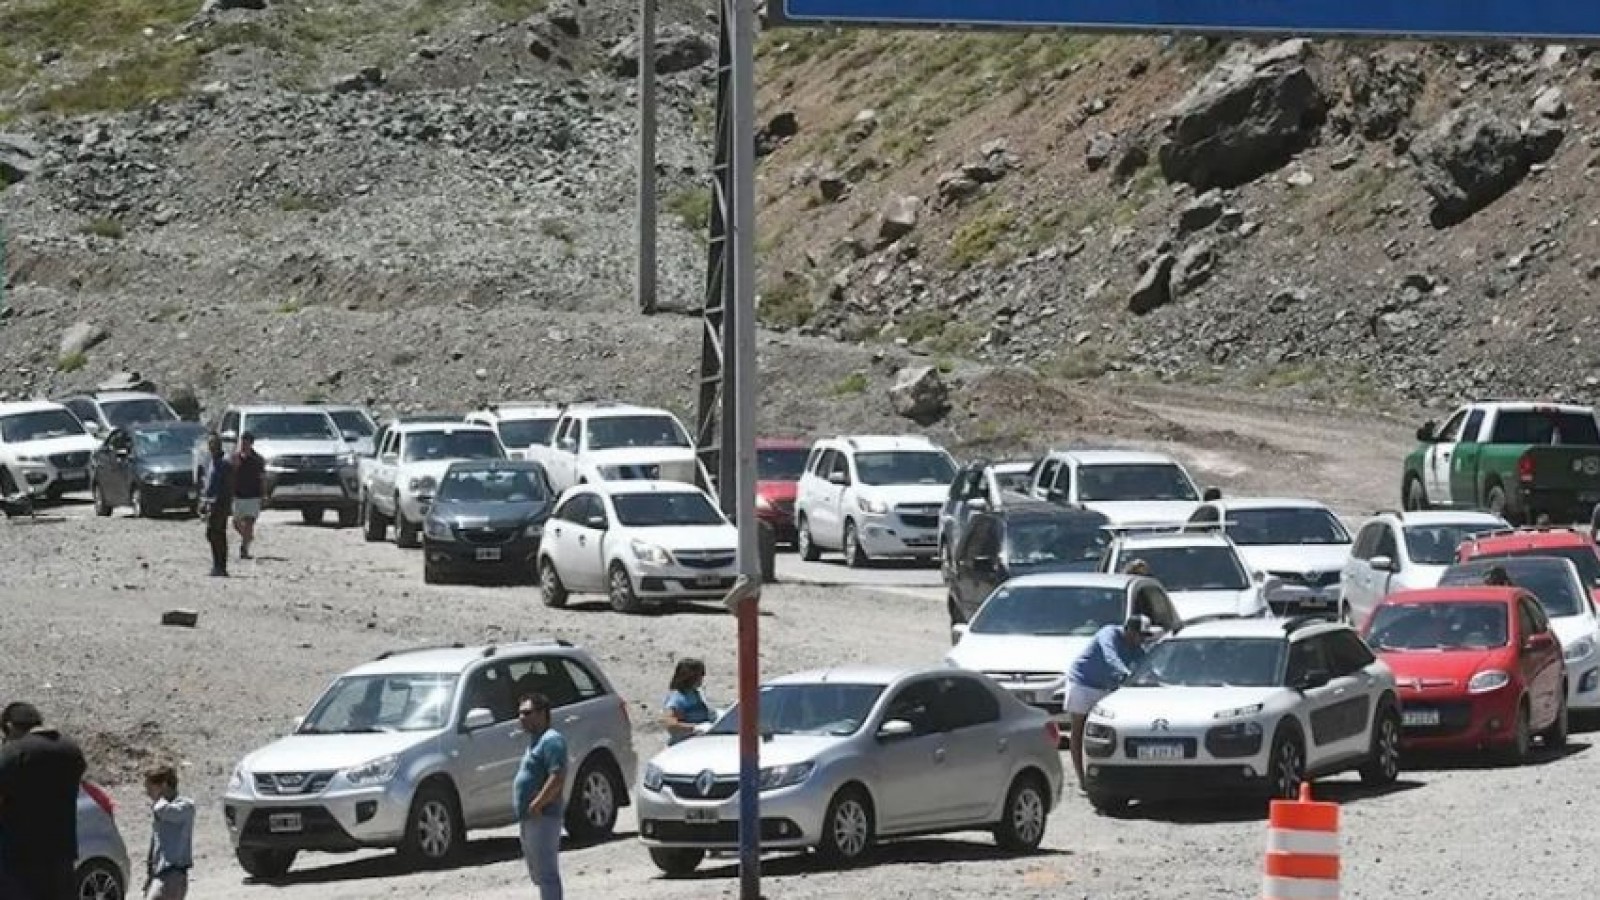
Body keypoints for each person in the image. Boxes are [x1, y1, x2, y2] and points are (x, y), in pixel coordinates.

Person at [0, 702, 88, 900]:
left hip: (20, 863)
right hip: (61, 859)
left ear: (10, 726)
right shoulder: (71, 751)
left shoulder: (14, 753)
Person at [1064, 616, 1153, 790]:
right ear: (1129, 630)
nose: (1142, 640)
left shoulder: (1136, 648)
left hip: (1104, 687)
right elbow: (1110, 657)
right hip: (1081, 683)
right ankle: (1082, 779)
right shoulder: (1108, 633)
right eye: (1139, 635)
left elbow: (1147, 665)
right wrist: (1128, 675)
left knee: (1105, 733)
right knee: (1079, 731)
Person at [513, 693, 566, 900]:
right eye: (520, 714)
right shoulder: (535, 742)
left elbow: (557, 776)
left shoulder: (552, 740)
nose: (521, 718)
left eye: (527, 713)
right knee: (538, 873)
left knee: (547, 874)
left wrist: (538, 803)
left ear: (542, 713)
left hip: (544, 816)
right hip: (530, 817)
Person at [142, 765, 194, 900]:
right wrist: (149, 874)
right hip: (159, 874)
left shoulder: (185, 806)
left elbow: (168, 812)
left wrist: (159, 800)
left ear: (163, 786)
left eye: (150, 788)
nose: (148, 793)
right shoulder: (160, 809)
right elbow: (156, 841)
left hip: (174, 875)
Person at [199, 434, 235, 577]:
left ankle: (221, 567)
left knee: (217, 533)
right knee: (212, 534)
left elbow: (227, 485)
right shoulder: (212, 461)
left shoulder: (224, 463)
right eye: (210, 443)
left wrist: (221, 502)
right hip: (211, 503)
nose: (211, 446)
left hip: (220, 504)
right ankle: (217, 565)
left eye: (214, 443)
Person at [662, 659, 713, 745]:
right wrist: (695, 728)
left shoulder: (696, 694)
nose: (702, 679)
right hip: (682, 746)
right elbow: (671, 725)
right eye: (700, 675)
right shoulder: (677, 698)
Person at [232, 432, 265, 560]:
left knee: (249, 522)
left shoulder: (258, 460)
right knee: (235, 523)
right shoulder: (235, 458)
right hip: (238, 495)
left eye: (246, 443)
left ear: (251, 443)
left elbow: (262, 478)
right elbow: (231, 475)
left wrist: (264, 495)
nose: (243, 445)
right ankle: (247, 537)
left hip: (253, 495)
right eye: (242, 442)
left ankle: (244, 548)